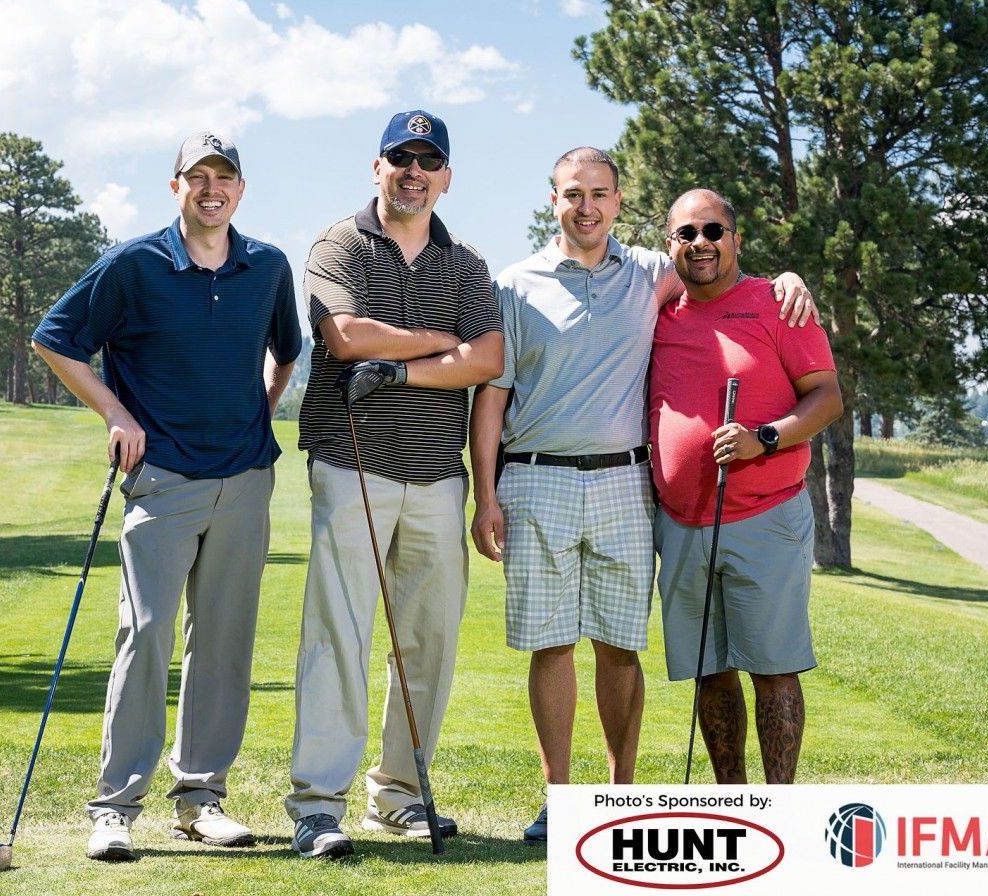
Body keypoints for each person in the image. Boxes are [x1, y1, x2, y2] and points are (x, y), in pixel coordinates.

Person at [468, 149, 817, 843]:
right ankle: (559, 800)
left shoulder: (647, 273)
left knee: (620, 647)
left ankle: (619, 795)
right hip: (536, 476)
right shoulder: (515, 284)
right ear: (553, 199)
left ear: (619, 202)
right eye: (573, 194)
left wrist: (788, 277)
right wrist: (485, 495)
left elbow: (716, 263)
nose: (586, 206)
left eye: (599, 194)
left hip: (626, 482)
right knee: (550, 645)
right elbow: (492, 394)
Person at [31, 132, 301, 861]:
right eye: (198, 177)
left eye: (225, 177)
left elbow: (287, 350)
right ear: (175, 185)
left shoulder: (268, 266)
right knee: (144, 636)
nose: (211, 189)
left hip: (245, 479)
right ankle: (115, 806)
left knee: (222, 645)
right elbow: (55, 339)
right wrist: (116, 413)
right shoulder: (133, 264)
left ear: (240, 189)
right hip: (164, 478)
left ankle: (201, 799)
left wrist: (262, 409)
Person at [285, 110, 503, 859]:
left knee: (428, 643)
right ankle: (317, 804)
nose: (413, 171)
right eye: (399, 157)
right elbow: (343, 335)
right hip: (351, 463)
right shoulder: (340, 242)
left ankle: (401, 795)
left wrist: (404, 367)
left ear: (445, 176)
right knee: (337, 635)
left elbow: (490, 359)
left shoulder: (465, 262)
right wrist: (447, 340)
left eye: (427, 160)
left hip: (439, 474)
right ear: (376, 167)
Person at [650, 188, 842, 784]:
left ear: (735, 240)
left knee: (774, 667)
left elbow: (827, 398)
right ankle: (732, 800)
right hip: (682, 523)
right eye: (687, 234)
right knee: (710, 670)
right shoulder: (656, 309)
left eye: (713, 231)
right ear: (670, 246)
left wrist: (766, 437)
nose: (700, 243)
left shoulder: (777, 304)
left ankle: (779, 806)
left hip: (765, 515)